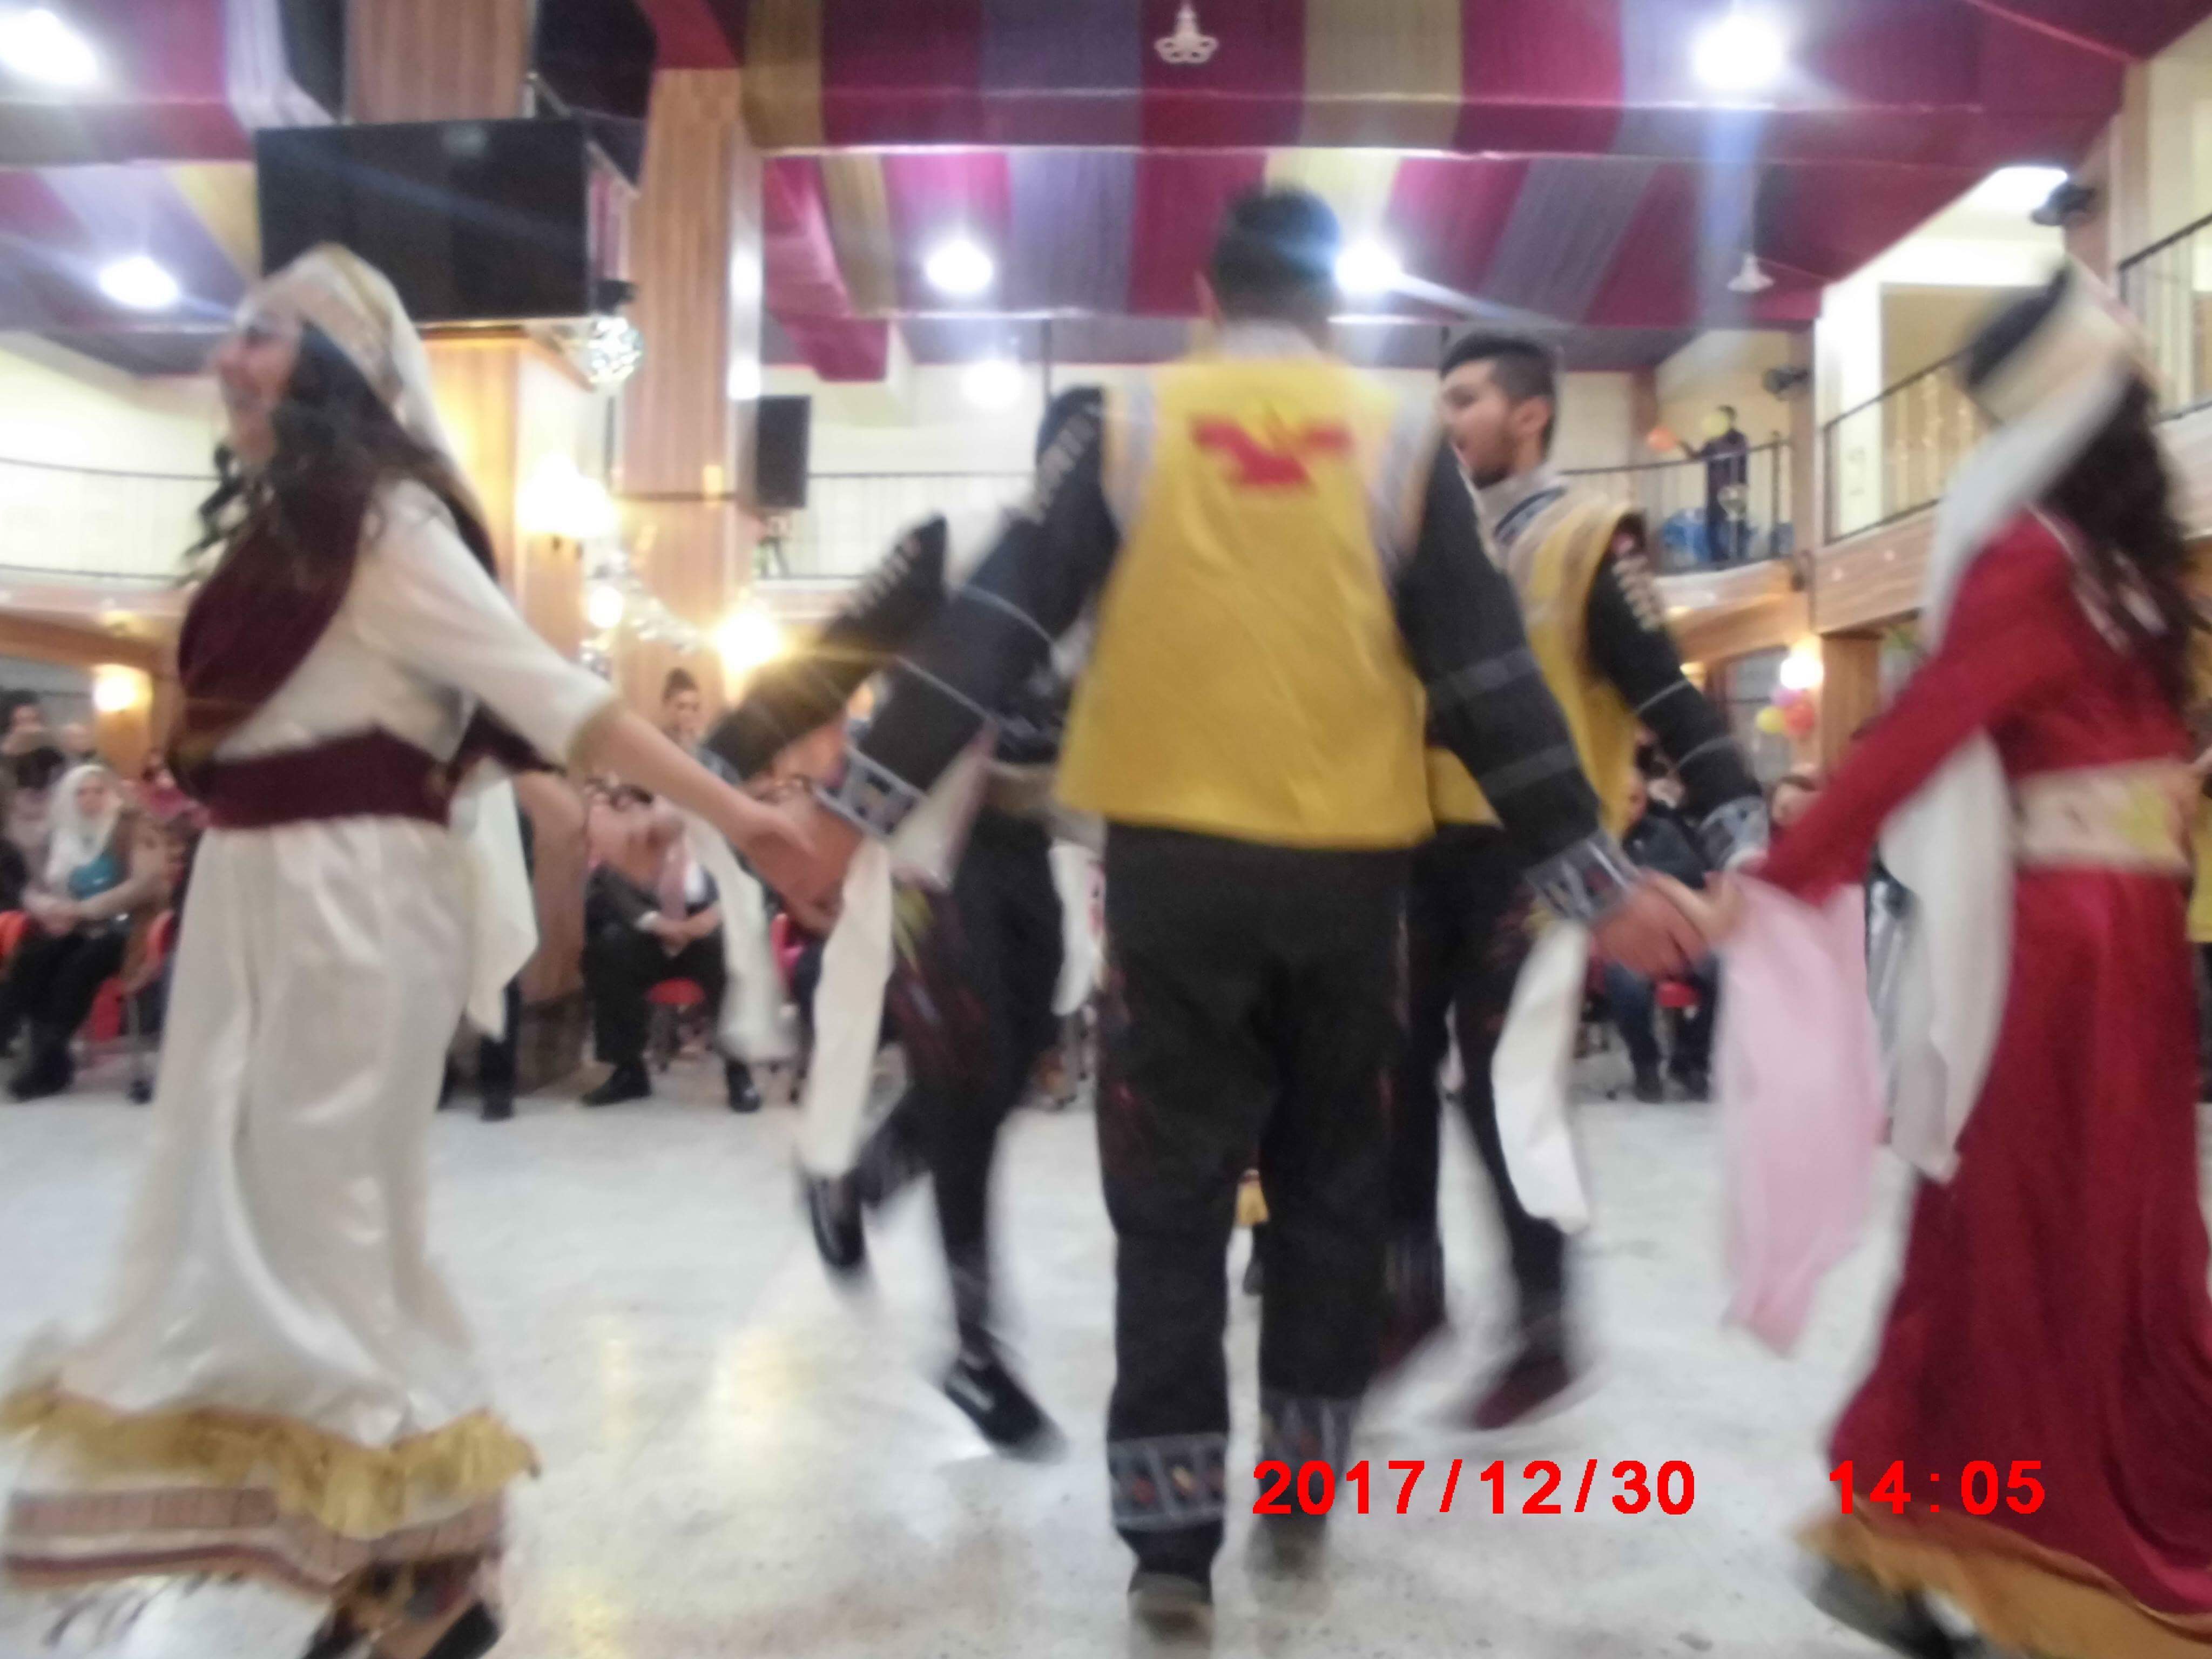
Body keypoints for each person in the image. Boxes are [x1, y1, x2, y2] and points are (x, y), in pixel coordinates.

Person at [744, 189, 1706, 1630]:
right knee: (1330, 1191)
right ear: (1331, 310)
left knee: (1170, 1197)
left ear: (1205, 295)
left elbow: (996, 622)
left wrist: (851, 809)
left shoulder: (1125, 423)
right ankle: (1301, 1495)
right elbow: (1486, 681)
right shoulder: (1402, 444)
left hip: (1173, 879)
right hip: (1351, 884)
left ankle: (1169, 1546)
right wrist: (1597, 881)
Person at [0, 246, 798, 1659]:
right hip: (262, 897)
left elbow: (547, 698)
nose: (228, 359)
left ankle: (429, 1564)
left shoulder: (387, 525)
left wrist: (736, 819)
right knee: (243, 1224)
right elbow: (440, 727)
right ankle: (407, 1567)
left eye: (262, 336)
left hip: (344, 909)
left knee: (325, 1238)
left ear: (333, 372)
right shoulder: (294, 536)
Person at [1715, 266, 2212, 1657]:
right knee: (2034, 1241)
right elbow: (1923, 727)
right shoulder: (2040, 560)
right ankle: (1974, 1549)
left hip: (2125, 949)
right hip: (2061, 960)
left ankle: (1924, 1540)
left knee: (2104, 1244)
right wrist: (1787, 876)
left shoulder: (2115, 570)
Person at [1381, 329, 1766, 1426]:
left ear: (1530, 413)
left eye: (1466, 398)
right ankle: (1407, 1292)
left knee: (1503, 1089)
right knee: (1386, 1077)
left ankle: (1544, 1328)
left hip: (1535, 859)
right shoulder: (1420, 539)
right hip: (1411, 845)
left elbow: (1668, 696)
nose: (1447, 419)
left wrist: (1741, 834)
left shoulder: (1590, 538)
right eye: (1440, 399)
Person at [706, 423, 1081, 1453]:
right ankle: (976, 1349)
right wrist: (711, 766)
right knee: (965, 1090)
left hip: (1034, 848)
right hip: (927, 850)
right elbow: (830, 662)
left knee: (1011, 1075)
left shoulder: (1127, 578)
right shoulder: (953, 547)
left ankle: (856, 1180)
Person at [577, 783, 758, 1111]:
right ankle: (628, 1070)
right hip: (649, 936)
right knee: (607, 950)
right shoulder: (621, 852)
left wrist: (715, 916)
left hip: (705, 935)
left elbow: (749, 888)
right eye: (623, 810)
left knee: (726, 951)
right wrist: (666, 927)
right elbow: (621, 899)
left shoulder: (714, 842)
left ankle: (739, 1071)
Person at [0, 763, 168, 1098]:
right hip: (80, 926)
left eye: (98, 791)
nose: (89, 799)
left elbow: (144, 884)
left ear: (112, 793)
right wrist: (52, 909)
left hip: (129, 927)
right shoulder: (66, 835)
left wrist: (84, 910)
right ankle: (34, 1048)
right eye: (80, 793)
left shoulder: (135, 827)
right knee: (36, 957)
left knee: (79, 967)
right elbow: (43, 889)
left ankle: (48, 1061)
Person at [1603, 773, 1718, 1103]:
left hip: (1679, 933)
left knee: (1728, 970)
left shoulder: (1662, 831)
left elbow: (1692, 870)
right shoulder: (1597, 839)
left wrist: (1642, 876)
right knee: (1625, 982)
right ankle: (1646, 1063)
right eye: (1620, 799)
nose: (1628, 808)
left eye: (1635, 799)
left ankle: (1691, 1057)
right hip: (1623, 940)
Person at [660, 666, 705, 749]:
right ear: (666, 705)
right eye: (681, 707)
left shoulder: (703, 744)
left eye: (695, 708)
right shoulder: (657, 741)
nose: (689, 714)